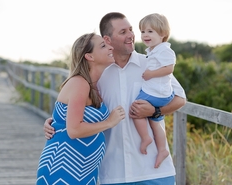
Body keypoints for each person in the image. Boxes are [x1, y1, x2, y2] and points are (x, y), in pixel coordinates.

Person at [43, 12, 187, 184]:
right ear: (108, 40)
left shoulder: (151, 63)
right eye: (123, 32)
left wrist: (155, 110)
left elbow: (180, 99)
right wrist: (56, 123)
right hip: (112, 173)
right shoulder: (96, 76)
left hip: (154, 169)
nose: (131, 36)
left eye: (131, 30)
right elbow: (78, 107)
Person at [36, 33, 126, 184]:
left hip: (86, 170)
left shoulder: (95, 84)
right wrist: (109, 122)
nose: (111, 47)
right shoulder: (80, 83)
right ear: (89, 57)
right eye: (103, 45)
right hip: (63, 167)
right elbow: (74, 130)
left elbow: (66, 119)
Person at [134, 13, 175, 169]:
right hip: (163, 92)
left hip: (155, 93)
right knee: (154, 121)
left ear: (163, 34)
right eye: (143, 31)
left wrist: (151, 74)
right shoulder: (154, 50)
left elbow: (169, 68)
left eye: (150, 31)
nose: (145, 35)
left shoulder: (164, 50)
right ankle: (162, 149)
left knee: (136, 109)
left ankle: (145, 138)